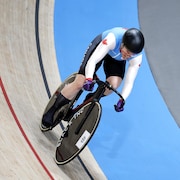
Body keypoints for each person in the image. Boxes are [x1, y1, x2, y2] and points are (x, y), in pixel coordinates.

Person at [40, 27, 145, 131]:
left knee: (113, 85)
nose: (127, 55)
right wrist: (89, 79)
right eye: (127, 51)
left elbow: (129, 81)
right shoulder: (112, 39)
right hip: (100, 49)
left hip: (116, 59)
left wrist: (123, 98)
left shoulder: (136, 57)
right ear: (122, 43)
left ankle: (88, 101)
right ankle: (53, 109)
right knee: (80, 82)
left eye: (131, 54)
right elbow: (93, 60)